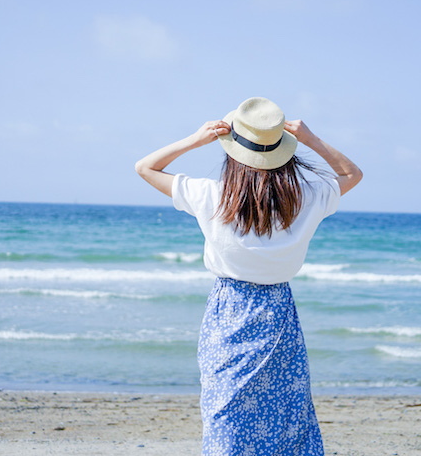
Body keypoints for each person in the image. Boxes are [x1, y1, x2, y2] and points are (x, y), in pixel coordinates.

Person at [135, 97, 362, 456]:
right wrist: (312, 140)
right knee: (286, 418)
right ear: (283, 152)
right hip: (278, 311)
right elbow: (352, 174)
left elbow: (145, 167)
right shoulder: (306, 197)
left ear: (233, 151)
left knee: (225, 410)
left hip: (229, 309)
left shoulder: (212, 195)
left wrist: (194, 140)